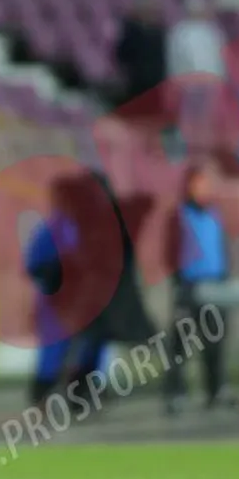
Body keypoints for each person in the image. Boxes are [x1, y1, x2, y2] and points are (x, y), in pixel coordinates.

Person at [24, 170, 158, 408]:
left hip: (87, 300)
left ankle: (81, 393)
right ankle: (43, 394)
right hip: (58, 300)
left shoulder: (97, 225)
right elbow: (37, 263)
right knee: (56, 348)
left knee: (92, 345)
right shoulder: (58, 227)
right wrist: (57, 275)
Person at [161, 159, 238, 415]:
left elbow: (221, 249)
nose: (204, 188)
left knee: (215, 341)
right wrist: (178, 285)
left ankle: (215, 390)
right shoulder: (180, 215)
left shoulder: (215, 214)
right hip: (189, 286)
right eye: (199, 183)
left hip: (215, 285)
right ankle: (176, 394)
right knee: (180, 344)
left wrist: (225, 277)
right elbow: (170, 251)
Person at [166, 0, 225, 150]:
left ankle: (203, 144)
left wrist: (220, 76)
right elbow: (176, 58)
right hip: (189, 80)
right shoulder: (181, 31)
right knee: (188, 113)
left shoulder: (212, 31)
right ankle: (185, 143)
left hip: (210, 79)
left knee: (207, 113)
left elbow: (218, 56)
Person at [114, 0, 168, 121]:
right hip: (138, 82)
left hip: (157, 82)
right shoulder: (130, 32)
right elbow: (122, 55)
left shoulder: (160, 32)